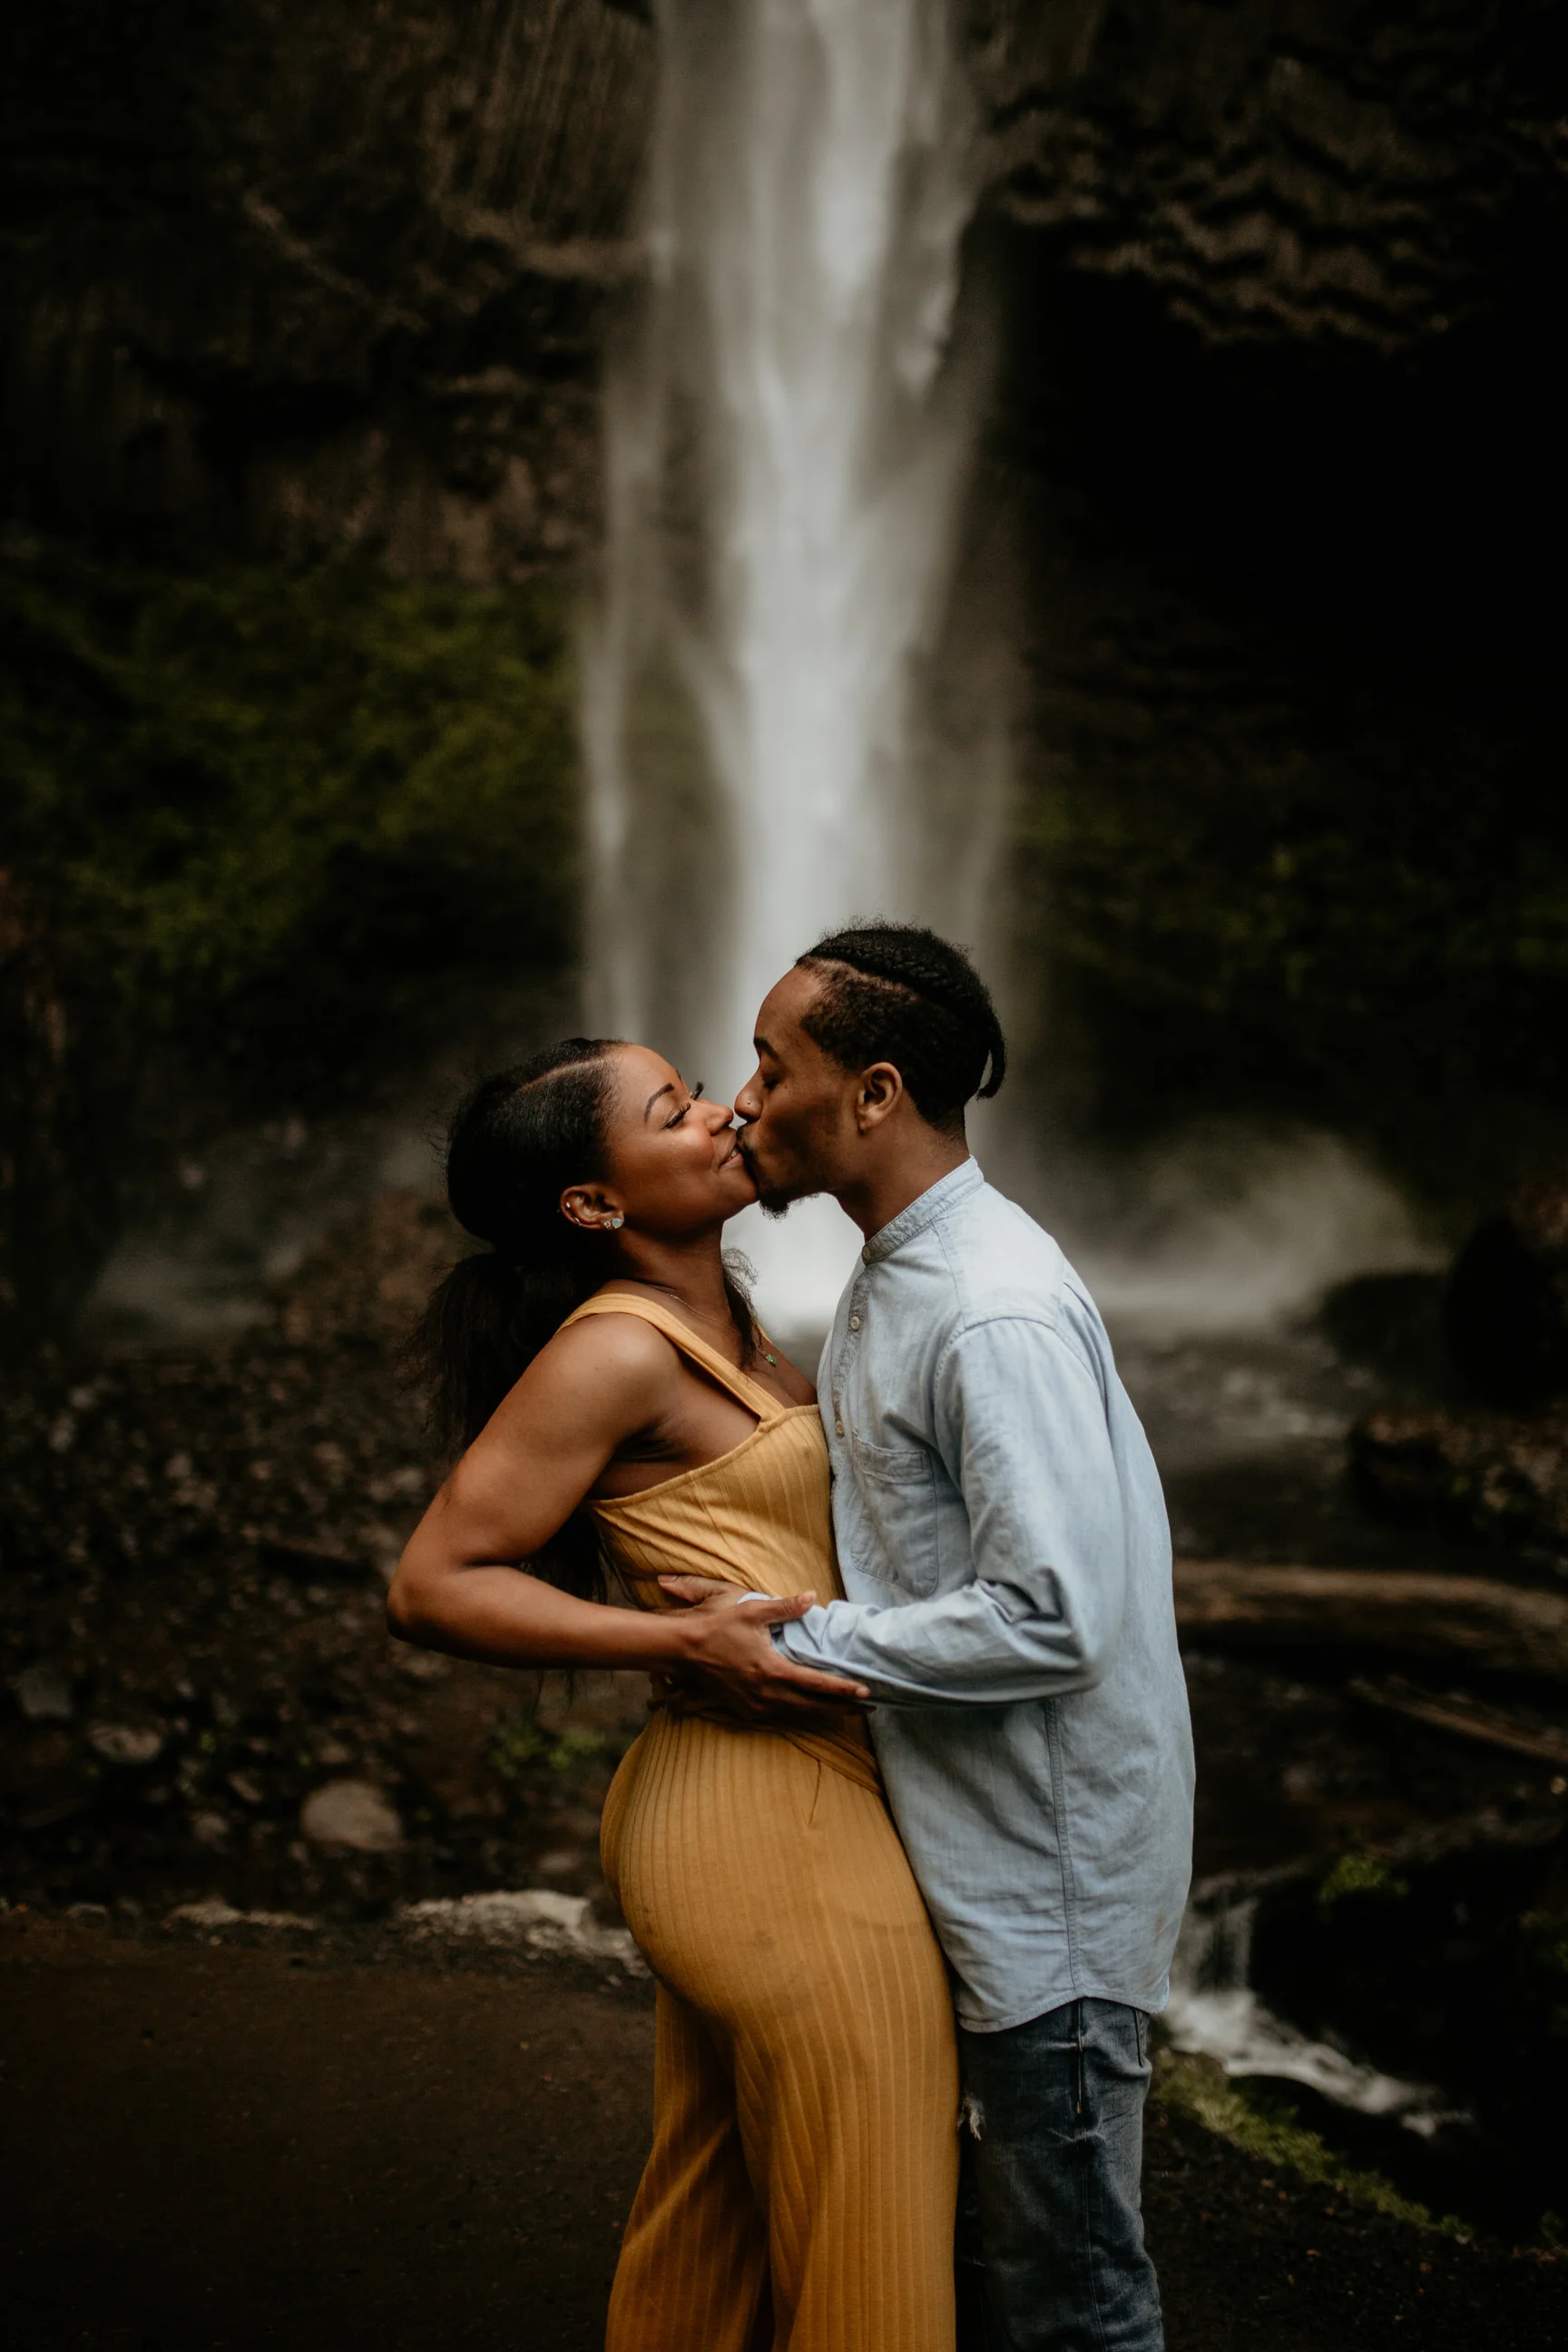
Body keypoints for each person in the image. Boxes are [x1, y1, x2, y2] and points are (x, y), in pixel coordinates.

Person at [385, 1037, 961, 2352]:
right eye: (675, 1111)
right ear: (595, 1205)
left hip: (789, 1801)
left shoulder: (733, 1330)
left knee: (718, 2225)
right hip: (759, 1819)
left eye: (699, 1088)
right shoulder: (618, 1352)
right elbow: (433, 1583)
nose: (723, 1114)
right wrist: (670, 1647)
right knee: (874, 2223)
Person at [665, 924, 1195, 2352]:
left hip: (1047, 1899)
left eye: (773, 1069)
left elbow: (1056, 1615)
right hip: (979, 1867)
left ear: (876, 1094)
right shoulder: (899, 1274)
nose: (741, 1100)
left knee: (1073, 2308)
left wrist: (794, 1645)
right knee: (999, 2292)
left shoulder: (986, 1310)